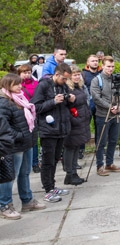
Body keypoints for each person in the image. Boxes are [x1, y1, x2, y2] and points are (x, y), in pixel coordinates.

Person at [0, 73, 46, 219]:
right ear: (7, 85)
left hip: (27, 143)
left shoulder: (20, 97)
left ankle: (27, 200)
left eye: (20, 83)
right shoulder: (4, 102)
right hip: (14, 146)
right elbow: (4, 127)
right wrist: (19, 136)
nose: (20, 86)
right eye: (16, 84)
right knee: (9, 176)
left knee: (25, 173)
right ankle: (5, 205)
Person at [30, 63, 75, 202]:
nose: (65, 82)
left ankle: (53, 186)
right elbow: (35, 107)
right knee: (47, 161)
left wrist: (71, 100)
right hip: (48, 129)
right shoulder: (43, 85)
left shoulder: (62, 86)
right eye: (64, 79)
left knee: (55, 160)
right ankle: (47, 189)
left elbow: (66, 105)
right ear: (57, 74)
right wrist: (53, 101)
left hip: (61, 128)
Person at [90, 56, 120, 176]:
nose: (110, 69)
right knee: (101, 141)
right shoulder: (97, 80)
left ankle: (109, 163)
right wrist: (110, 107)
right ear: (103, 66)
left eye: (112, 66)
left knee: (114, 140)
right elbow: (96, 98)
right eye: (108, 66)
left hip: (115, 115)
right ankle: (100, 165)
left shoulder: (116, 79)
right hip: (102, 115)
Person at [63, 66, 91, 186]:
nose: (77, 77)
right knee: (70, 148)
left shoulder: (79, 87)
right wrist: (74, 119)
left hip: (81, 121)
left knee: (76, 147)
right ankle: (69, 173)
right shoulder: (67, 89)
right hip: (73, 123)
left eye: (78, 74)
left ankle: (73, 172)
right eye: (74, 75)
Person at [18, 65, 40, 174]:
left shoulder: (35, 83)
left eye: (29, 72)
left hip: (33, 112)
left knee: (34, 139)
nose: (27, 74)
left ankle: (35, 162)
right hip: (22, 114)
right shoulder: (18, 85)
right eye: (24, 72)